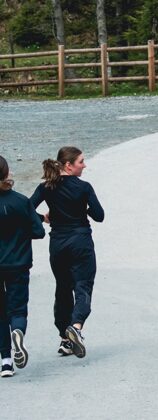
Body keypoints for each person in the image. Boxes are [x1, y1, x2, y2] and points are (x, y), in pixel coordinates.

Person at [31, 147, 104, 358]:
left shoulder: (46, 187)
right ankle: (76, 326)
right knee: (83, 285)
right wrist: (83, 208)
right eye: (81, 161)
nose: (84, 165)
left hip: (58, 244)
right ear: (69, 165)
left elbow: (25, 208)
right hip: (81, 242)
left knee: (63, 288)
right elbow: (99, 215)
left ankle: (65, 339)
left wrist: (43, 218)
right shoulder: (84, 187)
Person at [0, 156, 45, 378]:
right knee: (17, 309)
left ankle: (6, 362)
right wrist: (20, 233)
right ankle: (18, 331)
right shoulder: (20, 201)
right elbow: (39, 231)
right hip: (18, 262)